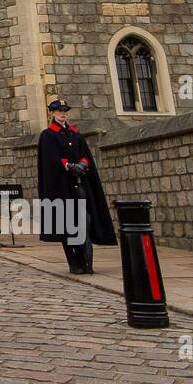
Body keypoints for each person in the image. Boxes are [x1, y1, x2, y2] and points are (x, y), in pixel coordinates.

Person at [36, 97, 115, 274]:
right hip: (61, 187)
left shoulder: (75, 134)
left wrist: (82, 164)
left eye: (64, 111)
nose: (62, 113)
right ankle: (73, 261)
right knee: (66, 224)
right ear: (52, 112)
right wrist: (66, 165)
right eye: (58, 111)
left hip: (80, 183)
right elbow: (51, 159)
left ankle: (86, 261)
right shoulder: (48, 135)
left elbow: (85, 154)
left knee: (84, 221)